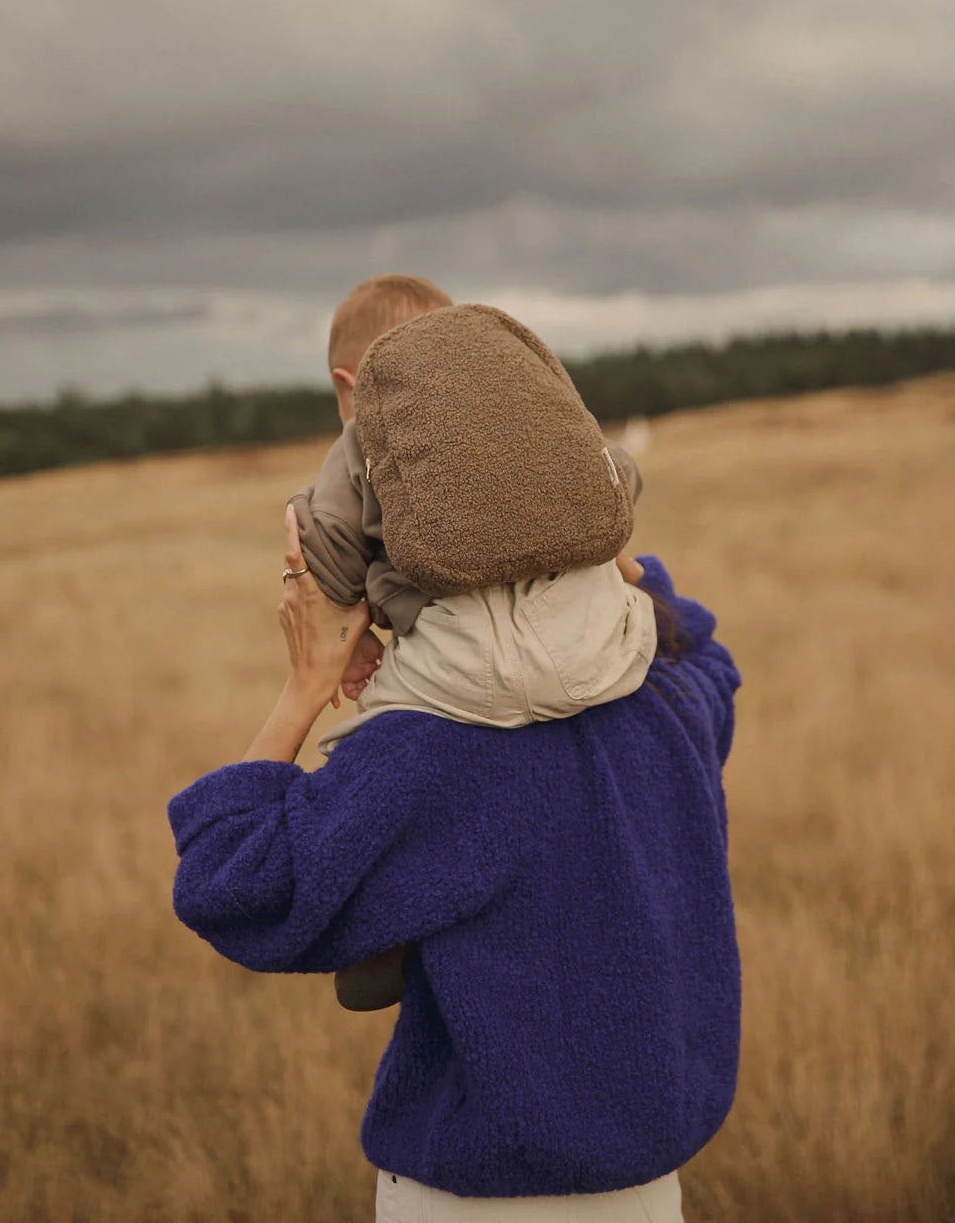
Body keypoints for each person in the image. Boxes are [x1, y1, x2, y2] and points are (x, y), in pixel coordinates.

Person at [167, 506, 742, 1220]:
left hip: (476, 1196)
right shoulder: (667, 693)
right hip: (651, 1195)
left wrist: (307, 683)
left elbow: (233, 881)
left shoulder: (429, 752)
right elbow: (701, 647)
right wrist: (611, 553)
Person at [300, 277, 655, 1014]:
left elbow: (328, 542)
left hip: (456, 672)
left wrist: (357, 627)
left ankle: (378, 946)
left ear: (349, 381)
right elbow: (615, 474)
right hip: (597, 653)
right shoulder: (521, 408)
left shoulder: (362, 429)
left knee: (360, 750)